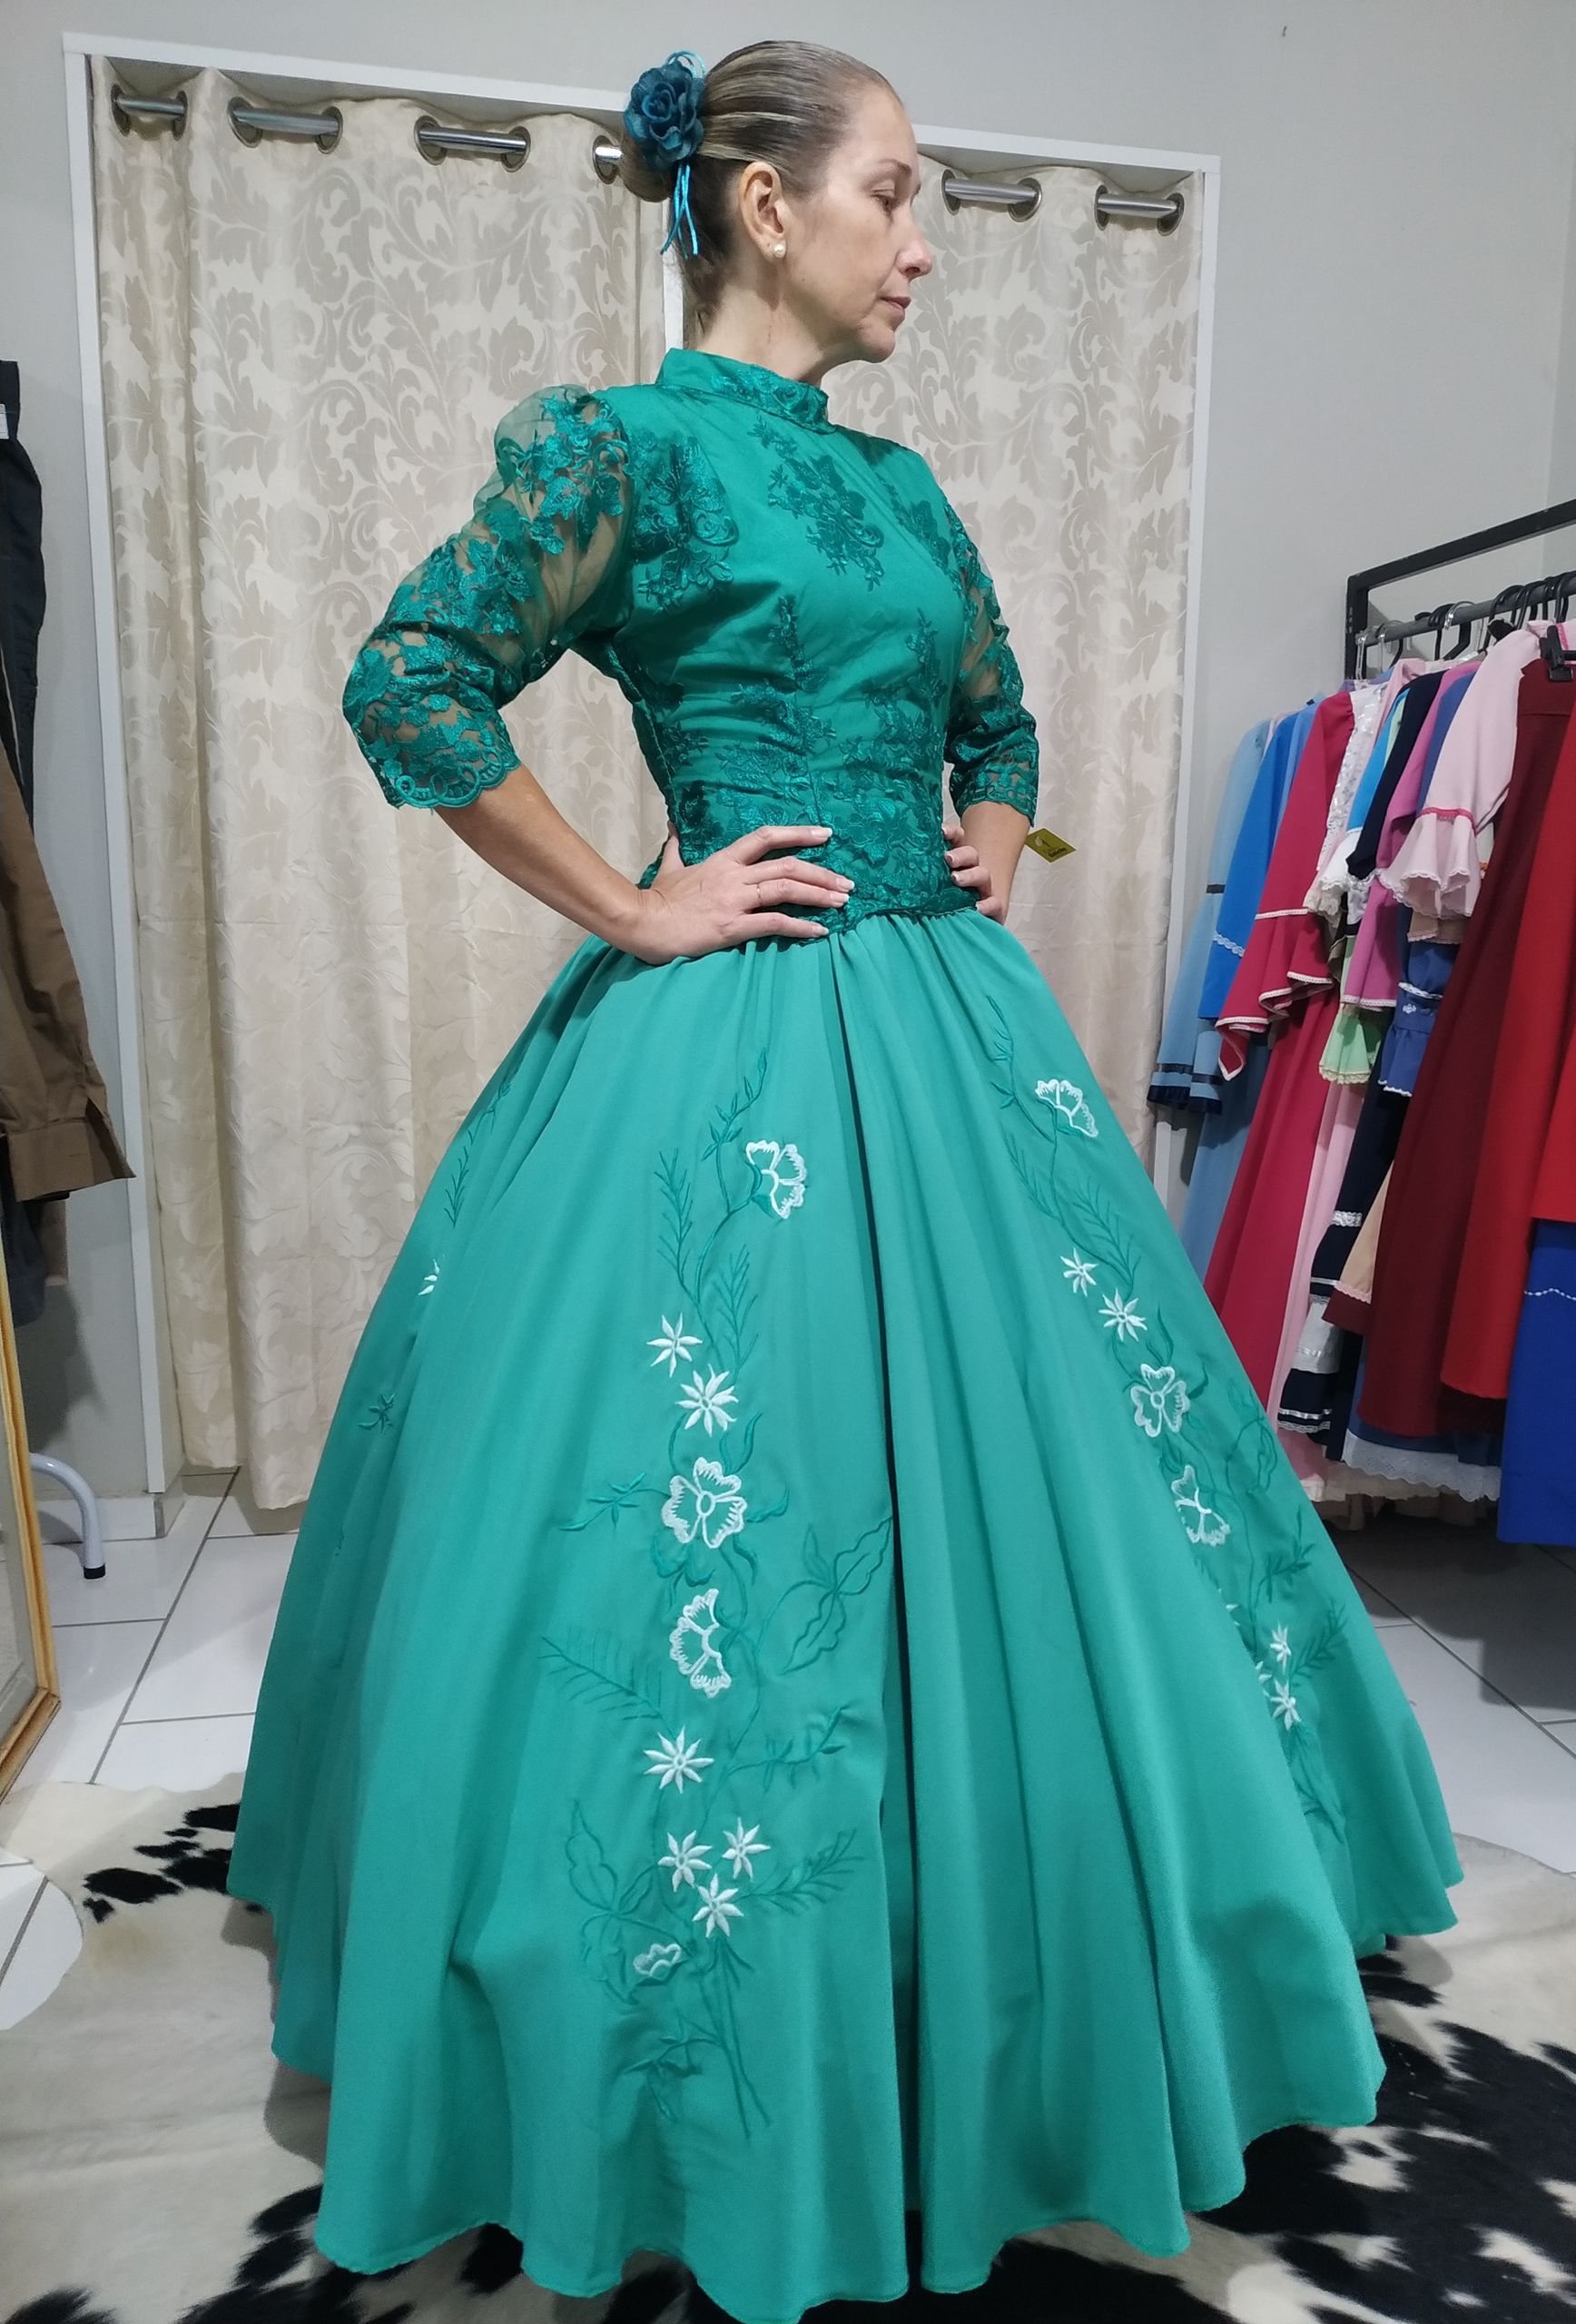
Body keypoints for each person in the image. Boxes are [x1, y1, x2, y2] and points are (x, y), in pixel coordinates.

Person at [225, 38, 1461, 2324]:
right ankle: (694, 2048)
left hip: (958, 1043)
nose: (926, 245)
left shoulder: (902, 488)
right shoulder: (615, 450)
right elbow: (414, 683)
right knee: (720, 1510)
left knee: (1064, 1507)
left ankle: (1068, 1969)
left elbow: (998, 715)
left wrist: (996, 823)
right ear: (763, 205)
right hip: (729, 1040)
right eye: (896, 193)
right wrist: (637, 903)